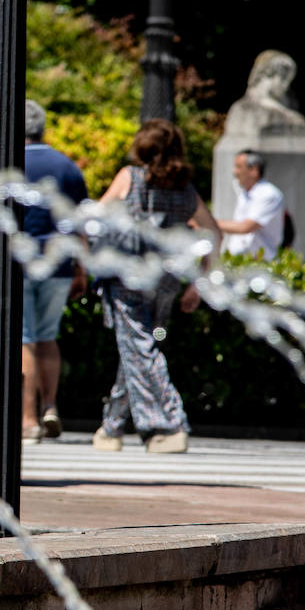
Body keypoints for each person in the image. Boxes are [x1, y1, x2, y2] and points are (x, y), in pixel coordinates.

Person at [93, 119, 222, 455]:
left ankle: (170, 424)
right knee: (139, 347)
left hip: (127, 277)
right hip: (165, 282)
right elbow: (213, 234)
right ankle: (112, 427)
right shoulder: (186, 189)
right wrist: (198, 283)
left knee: (140, 347)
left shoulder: (129, 177)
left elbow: (94, 217)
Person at [19, 101, 88, 443]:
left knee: (25, 339)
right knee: (47, 336)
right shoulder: (68, 167)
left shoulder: (10, 163)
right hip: (60, 265)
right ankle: (50, 406)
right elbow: (80, 223)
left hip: (20, 264)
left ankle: (28, 419)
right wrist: (82, 268)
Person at [217, 149, 287, 260]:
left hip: (261, 263)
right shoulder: (244, 192)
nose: (234, 171)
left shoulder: (269, 194)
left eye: (239, 167)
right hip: (238, 260)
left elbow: (246, 227)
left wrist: (209, 222)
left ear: (254, 170)